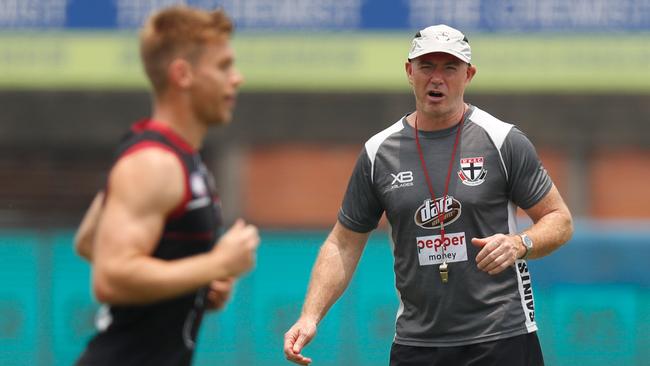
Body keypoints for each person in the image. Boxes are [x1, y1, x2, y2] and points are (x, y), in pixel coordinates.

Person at [284, 24, 573, 366]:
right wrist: (310, 316)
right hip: (417, 344)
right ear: (409, 71)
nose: (437, 78)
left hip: (502, 337)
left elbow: (560, 220)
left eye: (450, 67)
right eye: (427, 66)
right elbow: (342, 244)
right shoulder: (379, 152)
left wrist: (519, 243)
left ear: (469, 74)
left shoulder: (502, 140)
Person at [73, 6, 259, 366]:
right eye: (223, 66)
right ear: (182, 74)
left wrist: (197, 287)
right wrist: (214, 264)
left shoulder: (176, 155)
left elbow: (90, 240)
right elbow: (110, 277)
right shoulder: (153, 162)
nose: (236, 78)